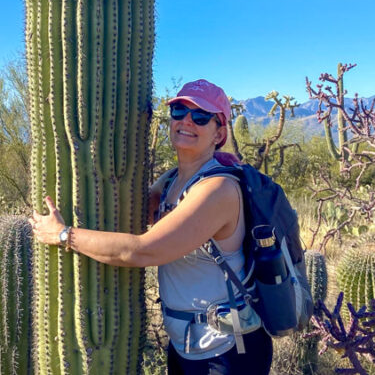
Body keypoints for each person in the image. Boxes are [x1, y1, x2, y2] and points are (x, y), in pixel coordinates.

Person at [30, 79, 272, 374]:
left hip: (227, 350)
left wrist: (63, 234)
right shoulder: (173, 180)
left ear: (219, 133)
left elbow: (143, 251)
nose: (186, 121)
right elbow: (130, 213)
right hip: (186, 344)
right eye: (179, 111)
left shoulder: (218, 189)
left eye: (200, 117)